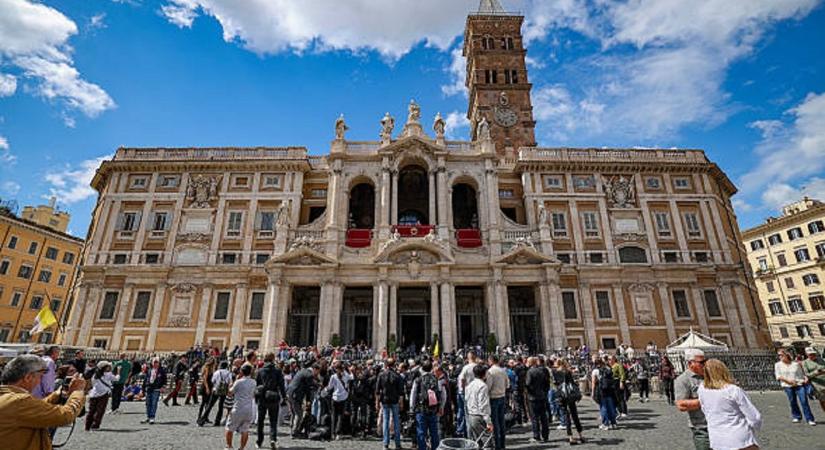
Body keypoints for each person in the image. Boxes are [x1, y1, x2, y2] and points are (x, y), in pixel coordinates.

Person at [0, 354, 86, 450]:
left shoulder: (8, 396)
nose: (39, 381)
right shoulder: (19, 401)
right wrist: (78, 392)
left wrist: (58, 394)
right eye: (40, 377)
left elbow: (36, 408)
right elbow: (66, 416)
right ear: (28, 377)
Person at [698, 359, 762, 450]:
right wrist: (755, 426)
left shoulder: (702, 389)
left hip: (717, 438)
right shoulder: (733, 390)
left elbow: (704, 409)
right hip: (739, 437)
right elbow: (754, 416)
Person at [676, 349, 709, 450]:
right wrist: (707, 400)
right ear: (691, 363)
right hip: (701, 427)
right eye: (701, 362)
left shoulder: (710, 375)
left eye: (705, 361)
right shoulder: (683, 380)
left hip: (720, 424)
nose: (705, 364)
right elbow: (681, 405)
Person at [775, 349, 816, 425]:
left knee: (804, 401)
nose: (779, 356)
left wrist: (805, 379)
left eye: (781, 355)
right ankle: (797, 416)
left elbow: (801, 374)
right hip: (787, 385)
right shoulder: (777, 365)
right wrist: (788, 381)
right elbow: (778, 376)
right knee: (792, 401)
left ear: (786, 355)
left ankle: (810, 419)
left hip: (799, 384)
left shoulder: (795, 364)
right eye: (778, 355)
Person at [410, 359, 445, 450]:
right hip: (433, 409)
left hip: (421, 409)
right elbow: (443, 394)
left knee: (421, 432)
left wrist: (412, 408)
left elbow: (413, 395)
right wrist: (441, 407)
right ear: (431, 368)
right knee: (434, 433)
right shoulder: (437, 380)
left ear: (422, 368)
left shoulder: (418, 380)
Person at [255, 352, 286, 449]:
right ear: (273, 359)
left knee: (260, 421)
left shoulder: (260, 371)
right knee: (273, 420)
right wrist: (284, 397)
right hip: (274, 396)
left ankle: (259, 441)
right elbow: (281, 385)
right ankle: (273, 439)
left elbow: (257, 385)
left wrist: (256, 398)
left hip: (262, 397)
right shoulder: (277, 371)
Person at [225, 364, 256, 450]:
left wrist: (232, 383)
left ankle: (229, 446)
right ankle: (242, 448)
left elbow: (230, 393)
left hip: (238, 407)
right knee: (245, 430)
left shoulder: (238, 382)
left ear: (241, 372)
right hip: (249, 408)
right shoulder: (254, 382)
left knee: (229, 427)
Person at [553, 358, 584, 445]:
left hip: (561, 395)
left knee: (566, 416)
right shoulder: (567, 372)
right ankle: (580, 435)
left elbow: (556, 383)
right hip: (569, 395)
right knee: (574, 415)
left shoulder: (555, 372)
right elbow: (572, 383)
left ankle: (570, 437)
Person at [375, 358, 404, 450]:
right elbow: (401, 392)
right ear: (394, 365)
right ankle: (397, 444)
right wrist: (401, 402)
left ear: (386, 365)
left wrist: (376, 402)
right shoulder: (398, 376)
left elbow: (377, 391)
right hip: (395, 400)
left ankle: (385, 444)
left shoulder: (381, 375)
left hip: (385, 400)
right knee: (396, 422)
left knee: (386, 421)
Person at [286, 360, 318, 438]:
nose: (317, 373)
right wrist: (308, 400)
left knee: (294, 413)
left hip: (290, 392)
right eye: (317, 371)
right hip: (296, 395)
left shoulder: (303, 371)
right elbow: (309, 389)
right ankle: (294, 432)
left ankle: (292, 430)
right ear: (315, 369)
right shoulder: (309, 374)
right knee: (299, 414)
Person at [465, 364, 493, 444]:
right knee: (487, 443)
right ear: (484, 374)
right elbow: (483, 405)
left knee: (476, 443)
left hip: (471, 415)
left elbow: (466, 399)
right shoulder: (483, 386)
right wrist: (488, 422)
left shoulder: (469, 385)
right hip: (479, 417)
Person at [486, 355, 509, 450]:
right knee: (501, 421)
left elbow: (488, 386)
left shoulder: (490, 372)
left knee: (495, 422)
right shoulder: (503, 371)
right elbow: (507, 384)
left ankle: (497, 445)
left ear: (491, 361)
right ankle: (503, 444)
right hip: (502, 396)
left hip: (493, 398)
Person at [200, 360, 233, 427]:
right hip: (224, 391)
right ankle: (217, 421)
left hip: (216, 390)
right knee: (221, 407)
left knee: (210, 405)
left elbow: (213, 381)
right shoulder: (229, 373)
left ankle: (202, 420)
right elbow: (230, 382)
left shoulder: (217, 372)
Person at [86, 361, 117, 431]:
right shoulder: (108, 375)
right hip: (104, 394)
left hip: (94, 394)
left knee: (91, 411)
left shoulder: (95, 375)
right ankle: (95, 425)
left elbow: (93, 384)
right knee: (100, 411)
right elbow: (116, 379)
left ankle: (88, 425)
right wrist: (118, 372)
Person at [526, 357, 550, 443]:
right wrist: (544, 392)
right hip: (542, 396)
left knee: (534, 417)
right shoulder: (541, 371)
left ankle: (536, 436)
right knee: (543, 417)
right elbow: (547, 383)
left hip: (533, 397)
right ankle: (545, 435)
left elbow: (528, 384)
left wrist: (529, 392)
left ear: (530, 363)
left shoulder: (530, 372)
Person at [325, 362, 350, 440]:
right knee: (340, 416)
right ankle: (338, 432)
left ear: (336, 369)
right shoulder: (346, 376)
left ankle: (333, 433)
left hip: (335, 397)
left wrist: (325, 389)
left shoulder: (333, 376)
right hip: (343, 397)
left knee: (334, 416)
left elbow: (330, 387)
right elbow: (350, 378)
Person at [591, 357, 617, 431]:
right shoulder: (608, 368)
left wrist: (592, 392)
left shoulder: (595, 371)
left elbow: (593, 382)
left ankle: (605, 424)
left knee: (603, 407)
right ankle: (613, 423)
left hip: (601, 390)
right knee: (611, 406)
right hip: (609, 389)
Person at [456, 351, 478, 438]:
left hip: (467, 393)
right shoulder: (478, 367)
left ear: (468, 358)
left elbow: (462, 379)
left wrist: (463, 389)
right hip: (477, 393)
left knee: (467, 416)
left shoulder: (466, 368)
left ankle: (469, 437)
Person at [141, 357, 167, 424]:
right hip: (149, 388)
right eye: (154, 362)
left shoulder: (162, 371)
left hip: (156, 389)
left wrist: (163, 387)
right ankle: (148, 416)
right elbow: (146, 379)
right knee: (148, 403)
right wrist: (143, 388)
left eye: (156, 362)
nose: (155, 364)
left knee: (154, 403)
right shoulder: (149, 370)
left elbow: (164, 380)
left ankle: (152, 417)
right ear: (152, 363)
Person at [801, 347, 825, 413]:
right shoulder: (805, 362)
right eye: (810, 354)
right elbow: (807, 374)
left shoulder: (821, 360)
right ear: (807, 354)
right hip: (817, 385)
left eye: (813, 354)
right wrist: (816, 372)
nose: (812, 355)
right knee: (823, 401)